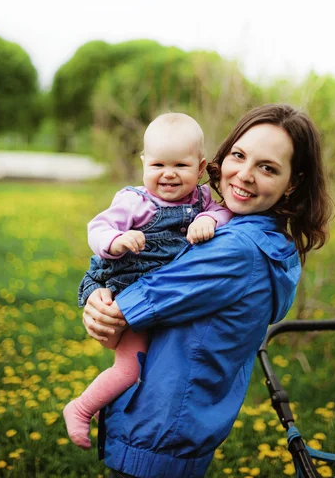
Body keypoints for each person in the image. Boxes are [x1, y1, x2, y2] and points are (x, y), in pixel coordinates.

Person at [81, 104, 333, 478]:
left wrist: (93, 292)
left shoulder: (236, 249)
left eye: (267, 167)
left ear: (292, 183)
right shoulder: (267, 239)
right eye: (239, 155)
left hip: (158, 425)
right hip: (183, 422)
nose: (243, 175)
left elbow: (121, 313)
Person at [63, 112, 232, 449]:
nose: (168, 174)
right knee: (129, 369)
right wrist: (116, 241)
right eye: (157, 165)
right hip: (127, 294)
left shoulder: (202, 201)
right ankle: (80, 408)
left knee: (152, 368)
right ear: (144, 164)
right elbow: (97, 228)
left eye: (180, 166)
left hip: (160, 302)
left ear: (199, 169)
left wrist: (211, 220)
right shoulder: (134, 201)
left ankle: (109, 406)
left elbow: (226, 211)